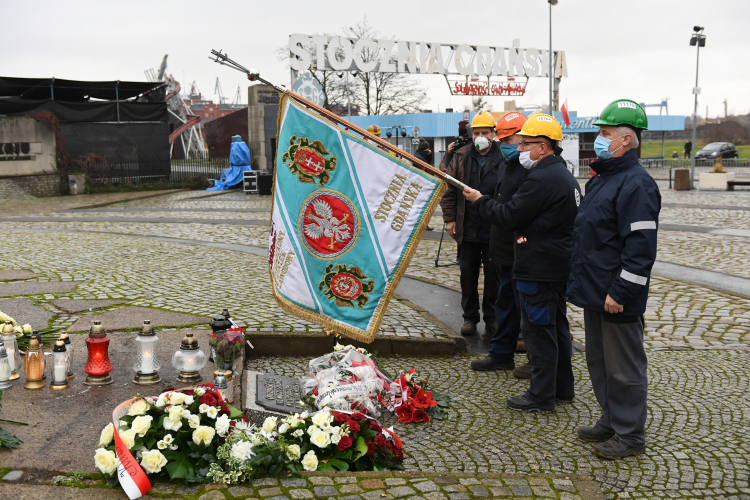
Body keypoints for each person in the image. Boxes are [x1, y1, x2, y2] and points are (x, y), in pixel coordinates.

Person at [463, 114, 581, 412]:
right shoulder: (562, 173)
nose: (519, 148)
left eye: (524, 143)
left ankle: (541, 396)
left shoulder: (542, 178)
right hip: (553, 264)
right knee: (556, 328)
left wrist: (480, 200)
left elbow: (509, 215)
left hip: (538, 266)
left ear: (542, 147)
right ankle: (562, 388)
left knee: (538, 331)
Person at [567, 99, 660, 460]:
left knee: (624, 368)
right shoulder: (607, 178)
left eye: (605, 133)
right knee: (599, 361)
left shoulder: (636, 184)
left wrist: (621, 290)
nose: (599, 139)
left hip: (616, 294)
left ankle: (630, 435)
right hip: (597, 290)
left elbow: (640, 249)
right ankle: (612, 418)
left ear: (626, 140)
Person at [470, 112, 528, 372]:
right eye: (501, 138)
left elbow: (512, 213)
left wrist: (481, 201)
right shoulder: (511, 166)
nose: (503, 144)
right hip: (505, 251)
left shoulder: (532, 171)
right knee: (505, 305)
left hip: (525, 254)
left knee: (528, 311)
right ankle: (501, 354)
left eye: (509, 138)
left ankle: (538, 362)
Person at [441, 111, 502, 337]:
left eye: (485, 132)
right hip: (467, 225)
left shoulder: (503, 156)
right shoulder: (461, 156)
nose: (480, 136)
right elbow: (448, 190)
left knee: (494, 275)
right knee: (467, 274)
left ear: (494, 134)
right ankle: (469, 317)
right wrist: (449, 219)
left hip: (494, 226)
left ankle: (492, 317)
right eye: (476, 132)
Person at [414, 140, 434, 231]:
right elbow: (426, 170)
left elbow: (428, 163)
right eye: (427, 150)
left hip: (421, 185)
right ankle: (422, 224)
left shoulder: (421, 156)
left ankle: (423, 224)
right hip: (422, 186)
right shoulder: (419, 158)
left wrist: (429, 155)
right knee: (422, 207)